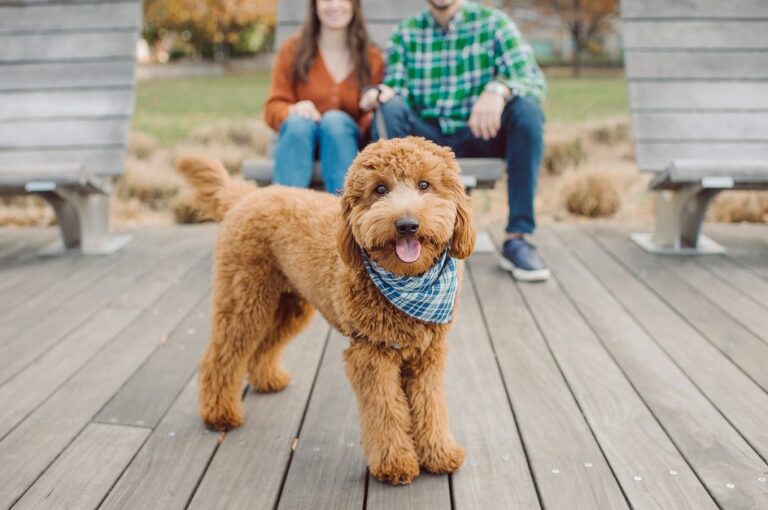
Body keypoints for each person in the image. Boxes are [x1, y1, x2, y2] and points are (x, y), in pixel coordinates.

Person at [360, 0, 549, 281]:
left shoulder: (494, 24)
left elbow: (533, 81)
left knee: (528, 110)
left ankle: (517, 238)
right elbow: (396, 89)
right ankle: (396, 234)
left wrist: (499, 88)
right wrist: (382, 93)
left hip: (480, 132)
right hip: (425, 144)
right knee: (390, 108)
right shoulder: (407, 33)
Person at [264, 0, 384, 194]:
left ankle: (341, 209)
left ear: (354, 4)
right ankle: (284, 209)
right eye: (326, 0)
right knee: (297, 122)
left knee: (335, 121)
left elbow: (370, 122)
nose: (334, 5)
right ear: (315, 5)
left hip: (345, 144)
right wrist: (292, 109)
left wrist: (370, 108)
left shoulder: (371, 57)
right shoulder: (292, 50)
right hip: (300, 142)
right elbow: (273, 107)